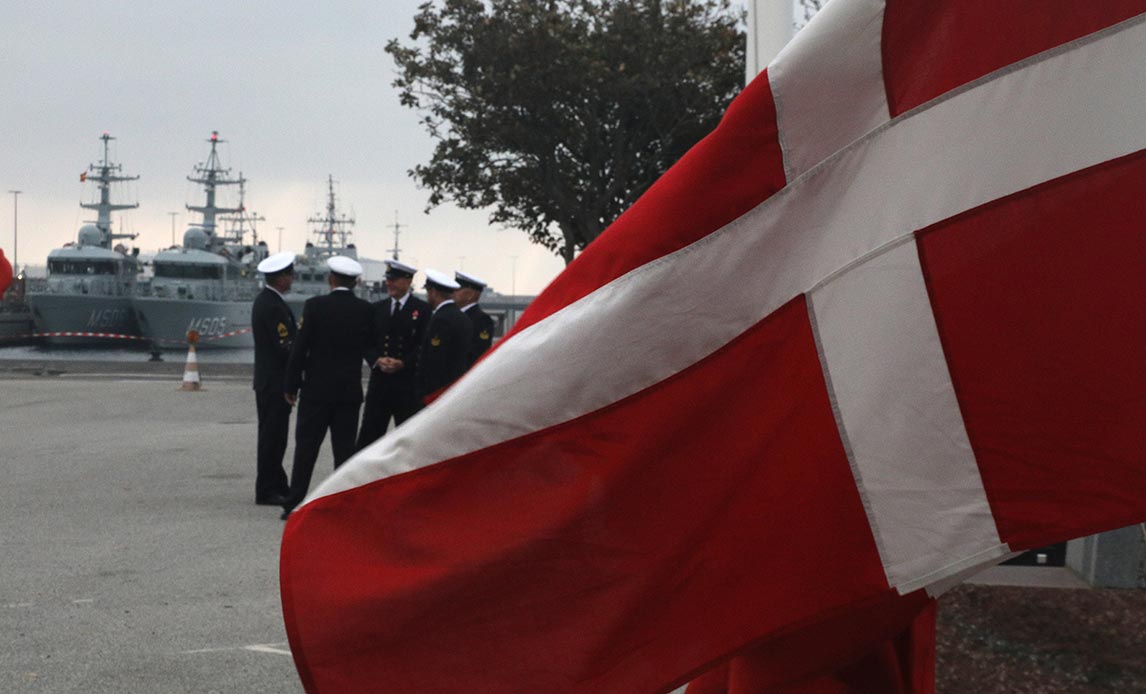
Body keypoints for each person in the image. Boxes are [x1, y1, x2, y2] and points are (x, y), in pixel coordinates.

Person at [281, 256, 373, 519]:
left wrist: (291, 384)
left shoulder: (314, 306)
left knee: (306, 448)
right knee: (343, 450)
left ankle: (294, 502)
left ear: (330, 279)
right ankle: (343, 503)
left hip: (316, 391)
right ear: (356, 282)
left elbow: (300, 349)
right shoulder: (365, 310)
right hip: (348, 392)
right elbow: (369, 347)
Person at [356, 259, 430, 450]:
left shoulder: (422, 311)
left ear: (407, 281)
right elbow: (366, 342)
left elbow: (423, 345)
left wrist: (404, 363)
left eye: (394, 279)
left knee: (408, 440)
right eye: (388, 279)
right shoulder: (377, 309)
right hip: (380, 384)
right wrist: (376, 360)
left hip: (406, 386)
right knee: (369, 438)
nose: (389, 283)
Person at [250, 251, 297, 506]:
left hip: (269, 381)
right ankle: (268, 489)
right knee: (273, 436)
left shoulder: (268, 301)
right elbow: (285, 345)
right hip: (274, 382)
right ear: (281, 278)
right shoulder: (273, 305)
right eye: (289, 275)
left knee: (275, 436)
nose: (291, 280)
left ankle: (276, 483)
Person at [415, 269, 472, 407]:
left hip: (438, 392)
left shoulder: (440, 319)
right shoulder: (463, 317)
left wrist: (425, 392)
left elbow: (435, 360)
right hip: (456, 387)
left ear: (433, 292)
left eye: (428, 292)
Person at [454, 270, 495, 368]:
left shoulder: (481, 320)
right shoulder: (456, 316)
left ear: (470, 295)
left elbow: (478, 352)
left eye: (457, 289)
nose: (452, 293)